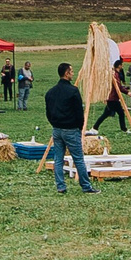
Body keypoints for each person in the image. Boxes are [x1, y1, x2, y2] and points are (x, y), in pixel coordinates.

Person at [44, 62, 95, 193]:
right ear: (66, 73)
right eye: (71, 71)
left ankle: (60, 186)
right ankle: (86, 186)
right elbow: (79, 112)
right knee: (78, 159)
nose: (73, 73)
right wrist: (79, 126)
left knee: (58, 158)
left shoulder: (50, 92)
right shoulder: (73, 91)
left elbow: (48, 113)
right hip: (71, 129)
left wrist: (55, 123)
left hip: (57, 129)